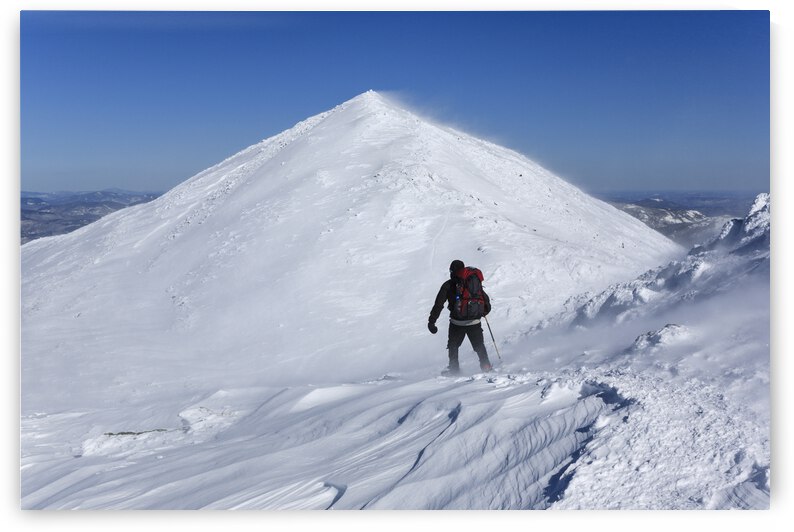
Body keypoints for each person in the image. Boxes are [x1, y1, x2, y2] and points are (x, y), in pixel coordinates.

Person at [428, 260, 493, 374]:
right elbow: (485, 301)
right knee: (479, 346)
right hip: (474, 322)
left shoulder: (448, 285)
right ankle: (486, 366)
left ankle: (454, 370)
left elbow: (438, 304)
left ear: (452, 271)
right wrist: (481, 313)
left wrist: (432, 322)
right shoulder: (474, 283)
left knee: (453, 346)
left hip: (456, 323)